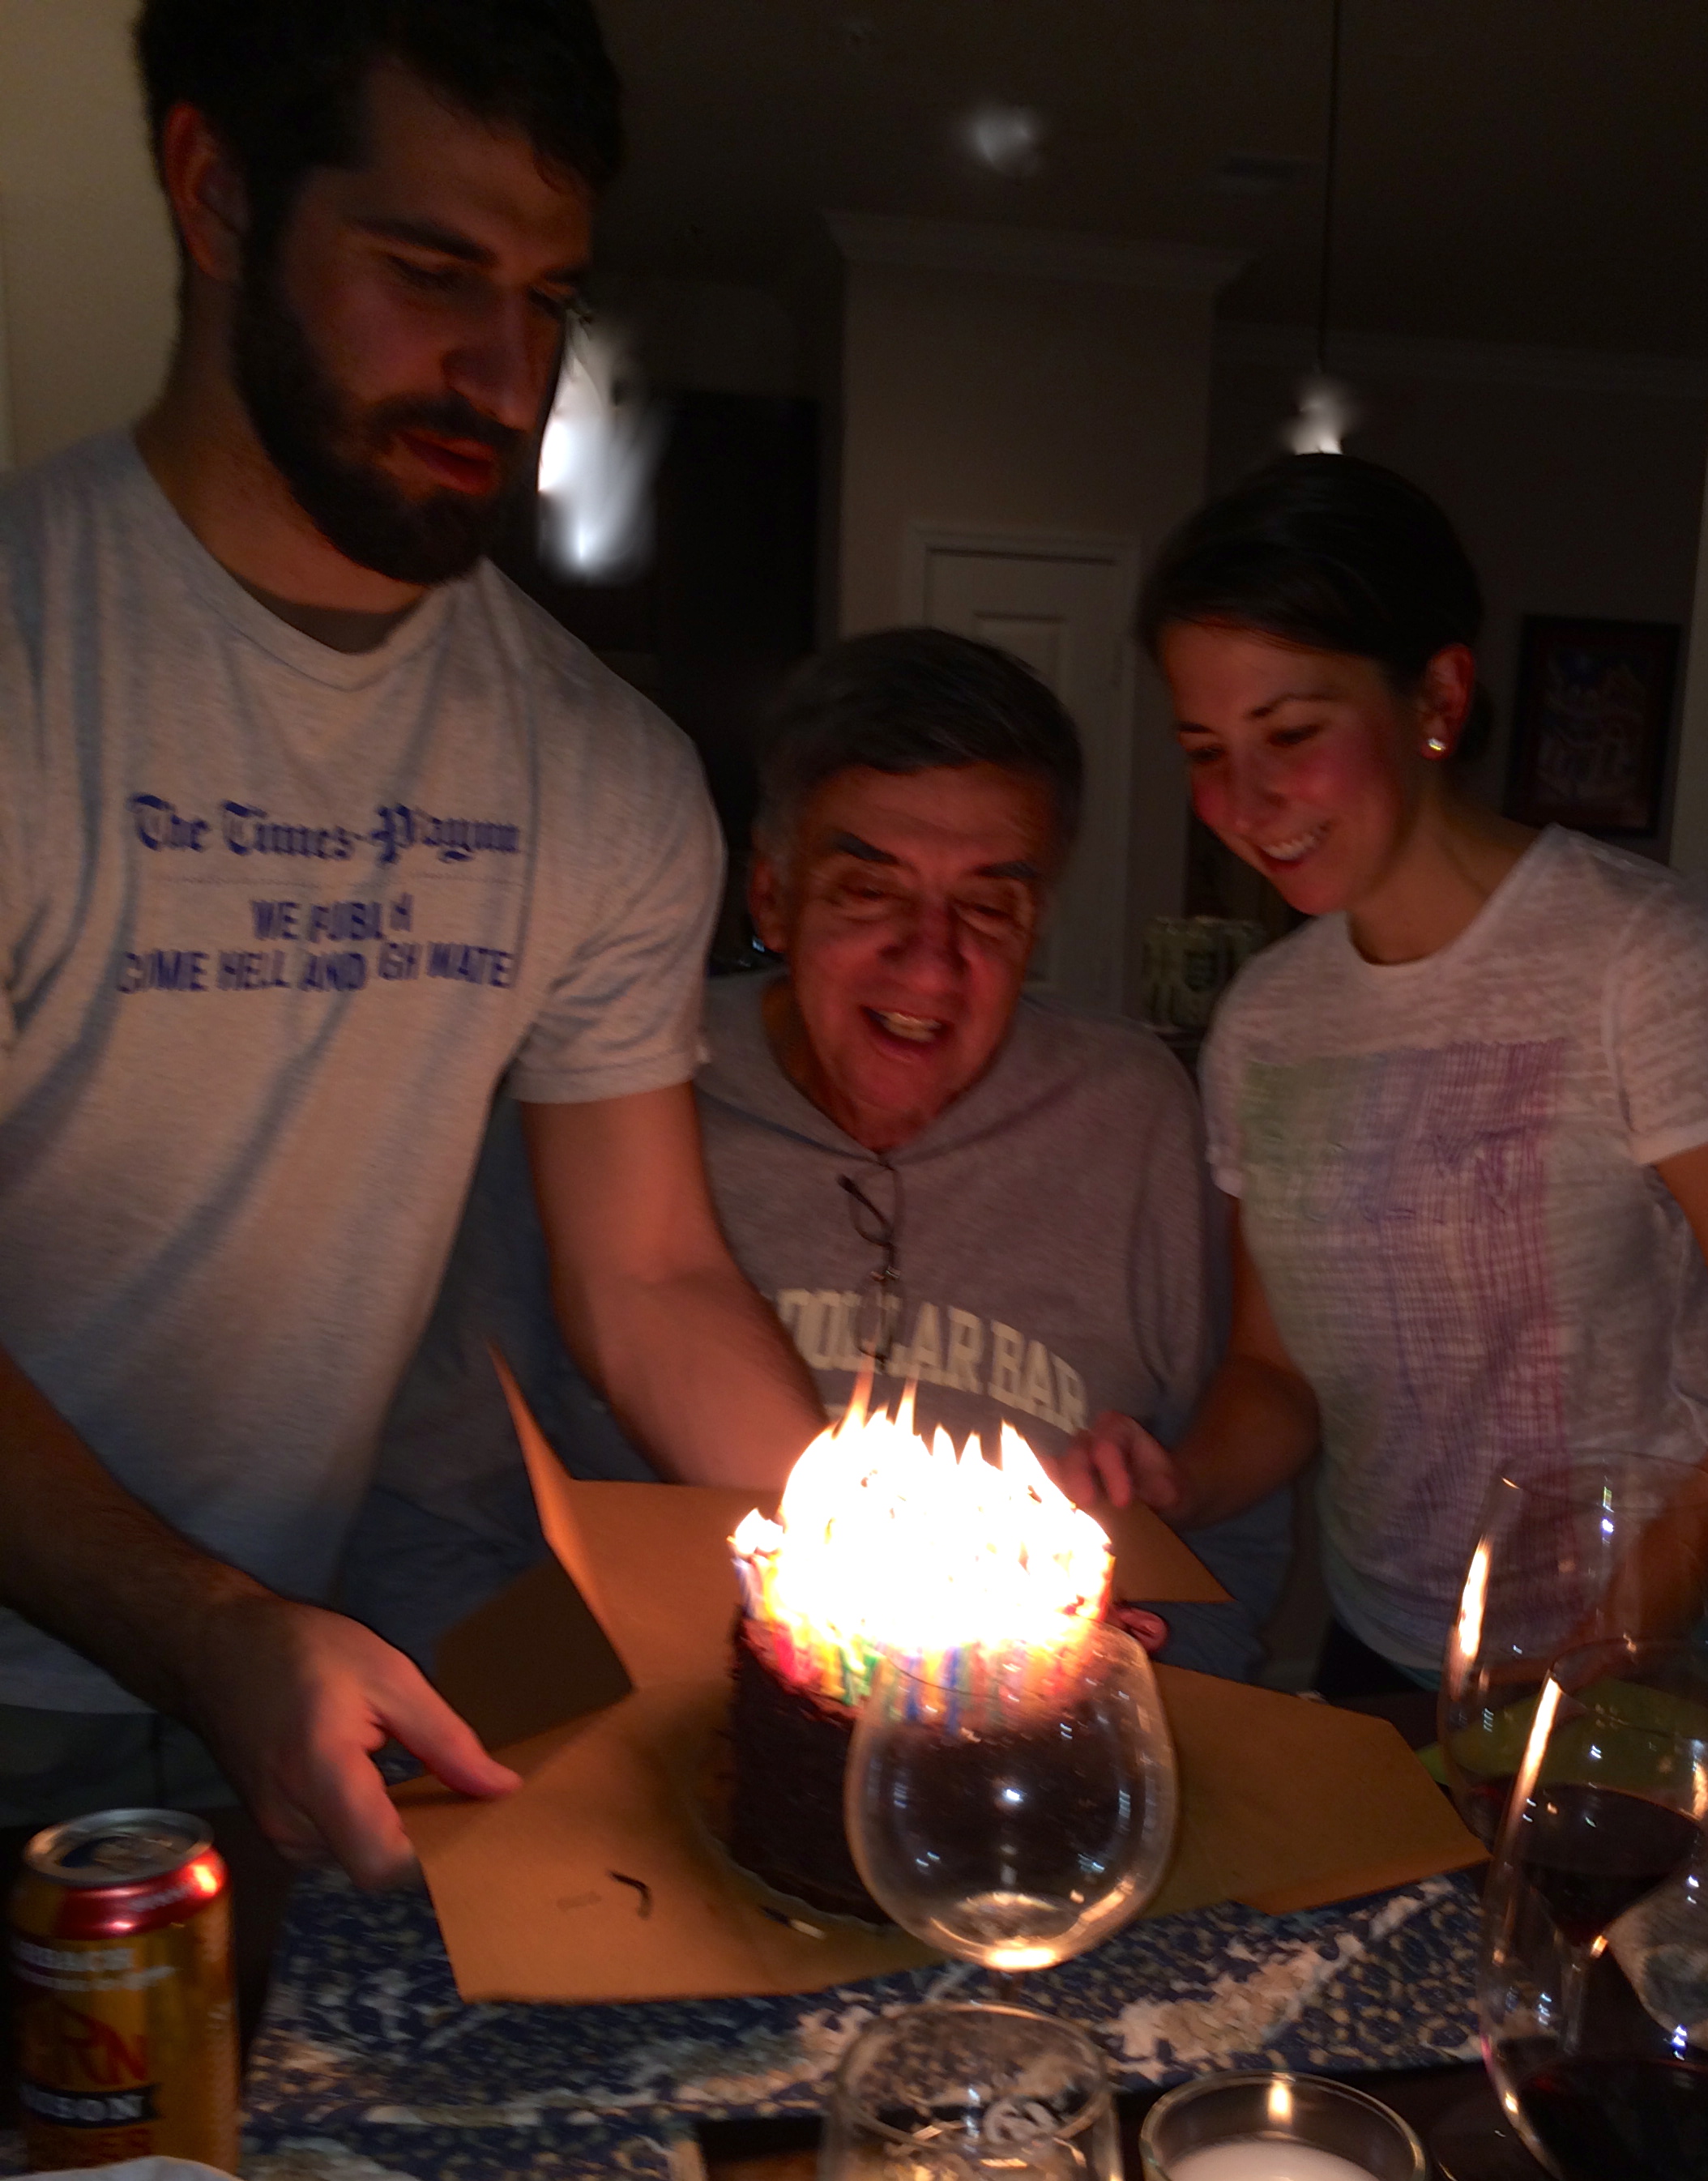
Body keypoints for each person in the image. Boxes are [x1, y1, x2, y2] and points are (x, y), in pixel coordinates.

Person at [0, 0, 824, 1894]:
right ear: (217, 194)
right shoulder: (31, 663)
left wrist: (885, 1587)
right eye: (431, 273)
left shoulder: (601, 770)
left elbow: (650, 1280)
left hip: (303, 1678)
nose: (504, 372)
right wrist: (202, 1624)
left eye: (548, 299)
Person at [1062, 454, 1708, 1702]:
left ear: (1438, 696)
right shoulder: (1265, 1022)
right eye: (1205, 748)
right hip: (1390, 1657)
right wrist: (1183, 1479)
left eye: (1292, 734)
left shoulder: (1654, 962)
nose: (1244, 800)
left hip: (1665, 1674)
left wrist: (1601, 1644)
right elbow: (1278, 1376)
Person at [343, 628, 1283, 1678]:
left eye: (987, 907)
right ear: (773, 898)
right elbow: (432, 1522)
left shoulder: (1134, 1120)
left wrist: (1136, 1708)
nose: (930, 962)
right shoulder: (612, 1097)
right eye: (869, 891)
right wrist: (541, 1738)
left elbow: (1225, 1540)